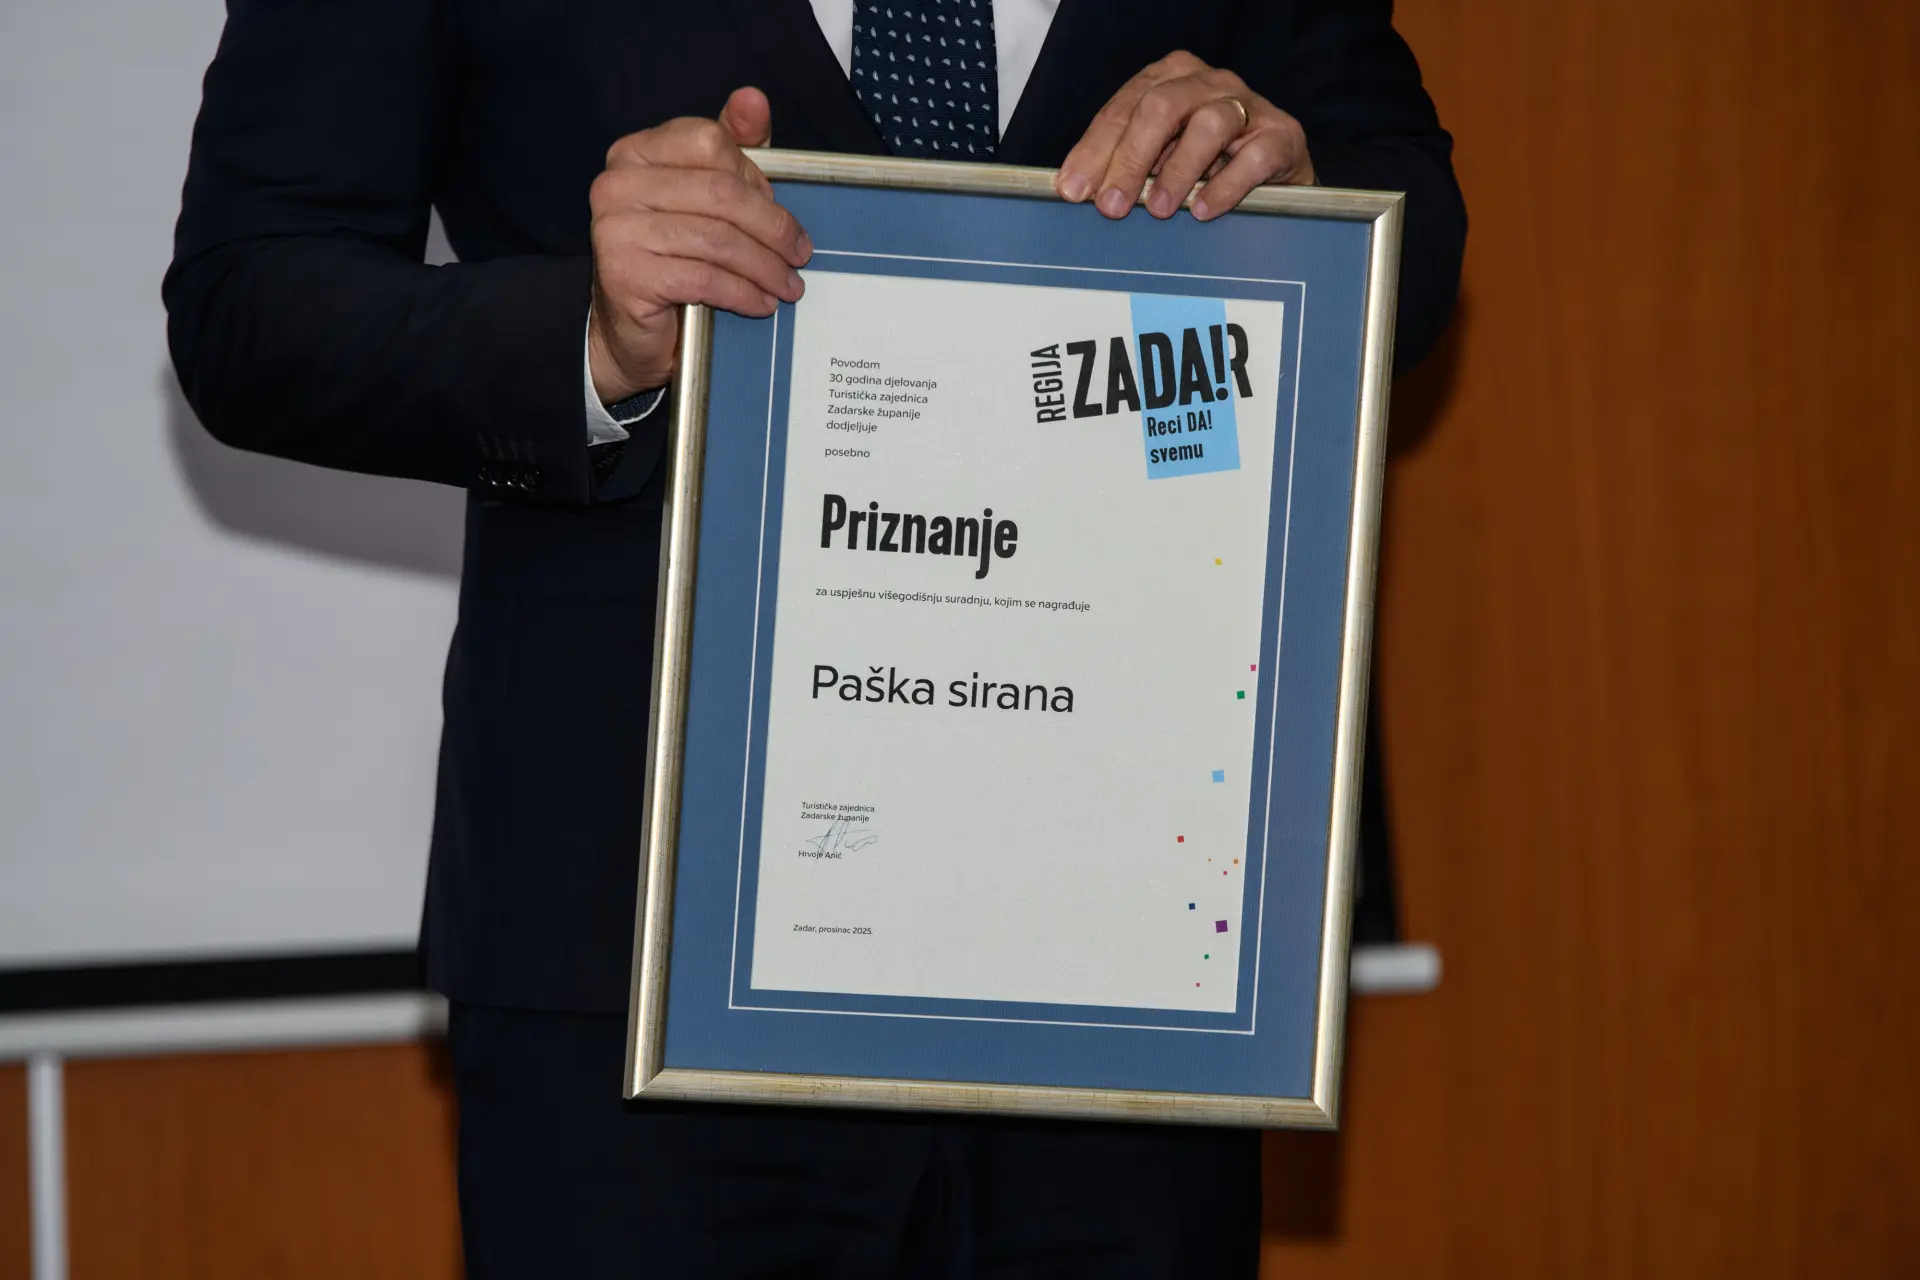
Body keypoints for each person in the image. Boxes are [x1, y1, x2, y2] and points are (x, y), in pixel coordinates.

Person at [165, 1, 1464, 1274]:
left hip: (1131, 920)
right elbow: (252, 293)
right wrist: (591, 335)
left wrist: (1303, 205)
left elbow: (1410, 219)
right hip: (640, 948)